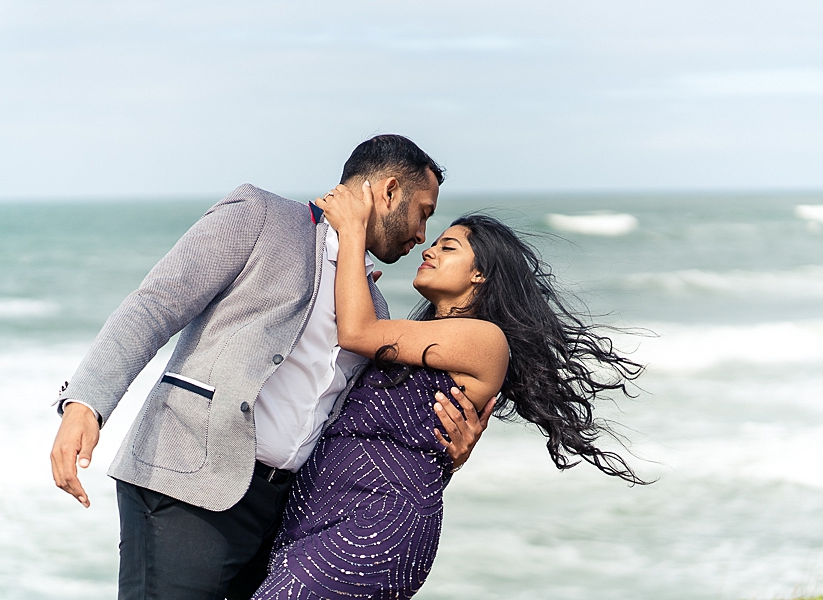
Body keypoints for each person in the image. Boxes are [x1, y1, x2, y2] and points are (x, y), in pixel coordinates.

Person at [49, 135, 494, 600]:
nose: (423, 234)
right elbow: (156, 304)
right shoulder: (262, 216)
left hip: (285, 515)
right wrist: (85, 404)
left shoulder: (372, 306)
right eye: (423, 212)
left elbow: (358, 422)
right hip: (190, 486)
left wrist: (443, 454)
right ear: (388, 191)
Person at [251, 183, 648, 599]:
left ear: (481, 274)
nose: (429, 250)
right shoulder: (415, 337)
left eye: (449, 247)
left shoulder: (486, 340)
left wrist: (352, 235)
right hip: (314, 510)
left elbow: (356, 331)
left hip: (377, 520)